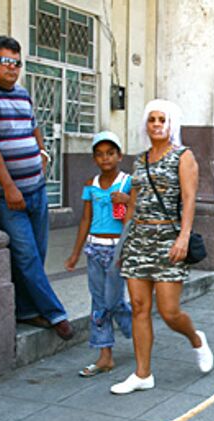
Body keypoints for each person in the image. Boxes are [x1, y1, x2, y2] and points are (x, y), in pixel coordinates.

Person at [110, 99, 213, 395]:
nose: (156, 124)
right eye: (152, 119)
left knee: (169, 312)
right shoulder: (139, 161)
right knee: (139, 309)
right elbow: (136, 202)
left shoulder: (183, 156)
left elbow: (190, 199)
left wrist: (183, 237)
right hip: (138, 240)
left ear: (171, 125)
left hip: (168, 240)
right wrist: (123, 243)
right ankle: (143, 374)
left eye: (162, 120)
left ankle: (196, 339)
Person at [0, 35, 74, 340]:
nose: (12, 68)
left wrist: (42, 153)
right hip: (9, 196)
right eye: (5, 61)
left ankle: (25, 311)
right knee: (26, 255)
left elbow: (35, 127)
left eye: (17, 63)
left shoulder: (23, 94)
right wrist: (9, 187)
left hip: (37, 188)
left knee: (38, 252)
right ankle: (55, 312)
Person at [65, 131, 133, 377]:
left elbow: (135, 216)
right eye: (100, 154)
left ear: (119, 156)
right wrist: (75, 253)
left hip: (117, 249)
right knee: (99, 302)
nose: (105, 159)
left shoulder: (128, 182)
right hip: (94, 248)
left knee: (114, 301)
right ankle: (105, 355)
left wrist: (126, 200)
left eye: (110, 153)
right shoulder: (90, 186)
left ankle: (136, 330)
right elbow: (85, 219)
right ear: (94, 158)